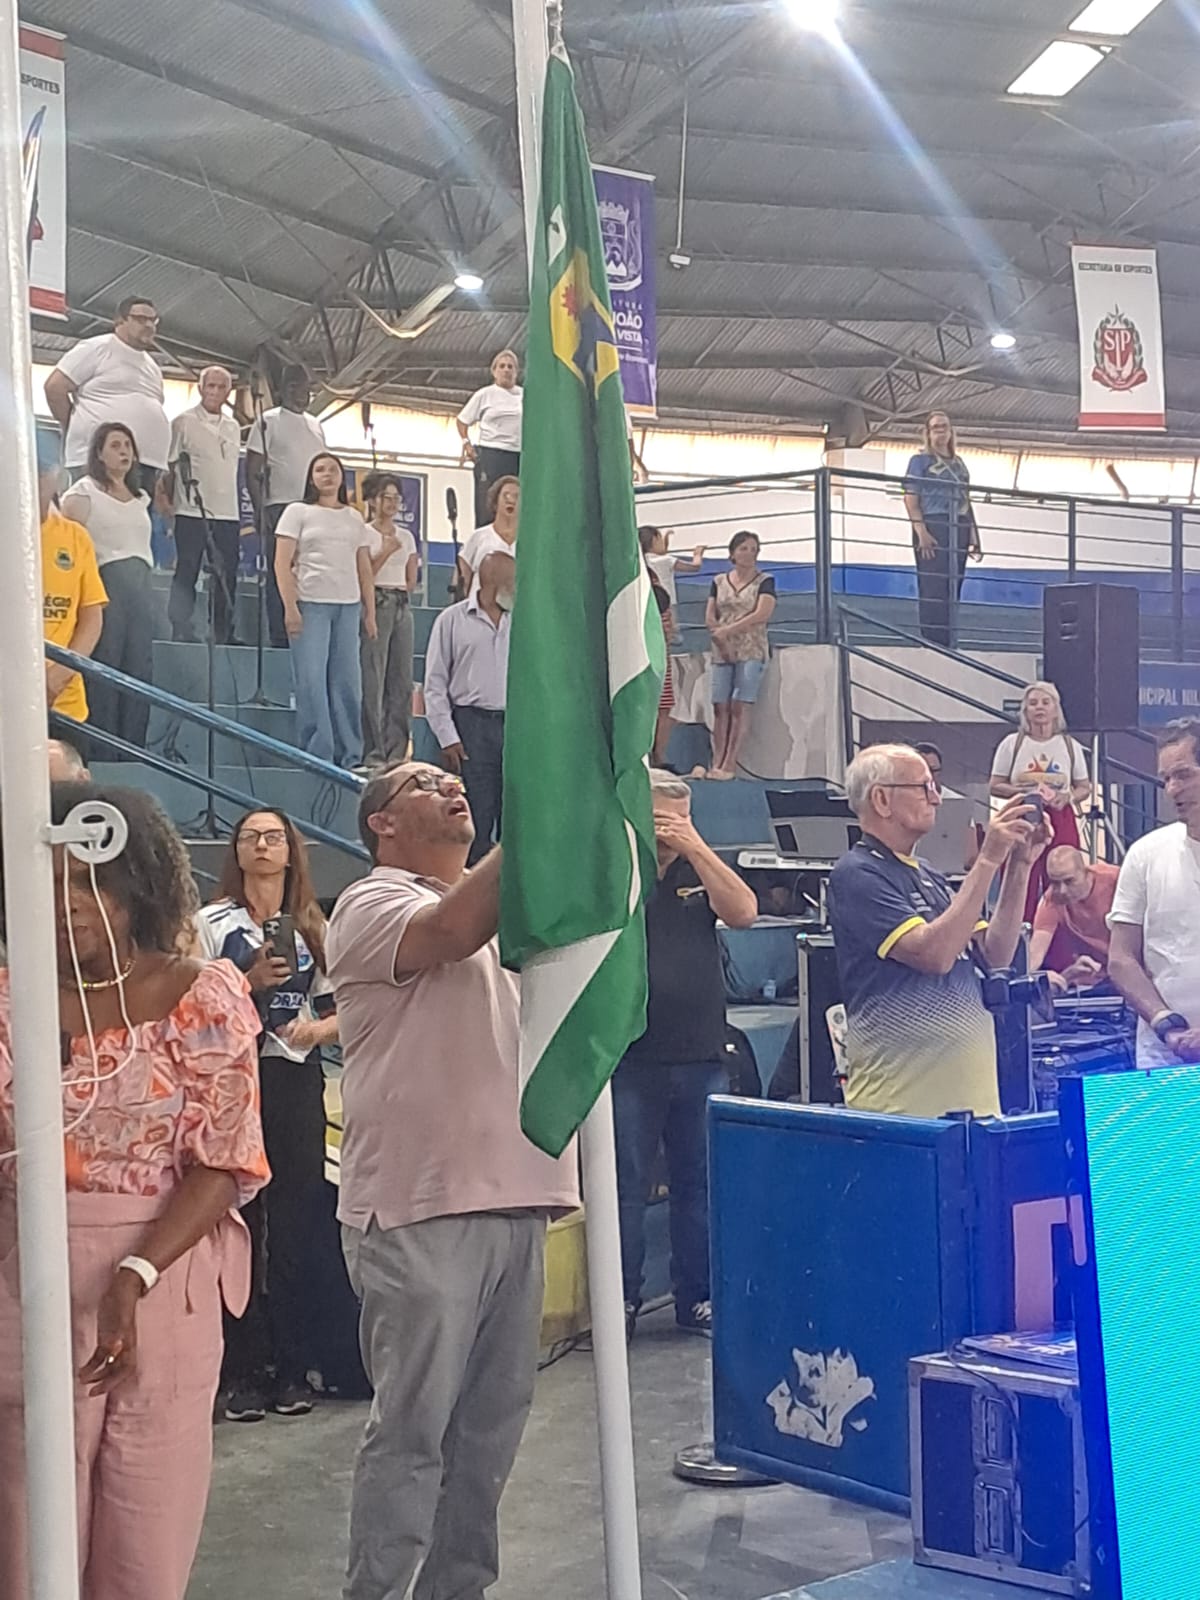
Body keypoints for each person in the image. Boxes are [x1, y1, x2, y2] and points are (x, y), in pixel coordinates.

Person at [0, 782, 268, 1600]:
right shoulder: (8, 999)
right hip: (26, 1281)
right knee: (28, 1533)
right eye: (49, 883)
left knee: (146, 1535)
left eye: (91, 882)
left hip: (163, 1278)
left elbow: (225, 1159)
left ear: (138, 885)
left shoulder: (201, 993)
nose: (69, 904)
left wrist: (135, 1273)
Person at [327, 762, 578, 1600]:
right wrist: (545, 799)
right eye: (422, 783)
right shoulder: (373, 901)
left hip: (517, 1193)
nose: (449, 786)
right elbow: (451, 929)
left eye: (450, 778)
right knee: (413, 1430)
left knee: (488, 1437)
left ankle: (457, 1590)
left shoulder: (508, 912)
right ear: (382, 823)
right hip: (421, 1205)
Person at [197, 809, 339, 1422]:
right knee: (240, 1221)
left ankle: (293, 1364)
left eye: (273, 837)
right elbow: (189, 1005)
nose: (261, 846)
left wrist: (315, 1032)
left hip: (292, 1075)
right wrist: (247, 981)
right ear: (236, 850)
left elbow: (346, 1006)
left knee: (296, 1219)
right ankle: (242, 1368)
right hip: (231, 1081)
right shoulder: (209, 924)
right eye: (250, 836)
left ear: (290, 851)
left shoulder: (314, 924)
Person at [613, 771, 757, 1340]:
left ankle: (695, 1296)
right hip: (632, 1057)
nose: (669, 831)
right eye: (660, 820)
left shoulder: (700, 871)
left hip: (701, 1054)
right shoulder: (617, 868)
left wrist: (696, 847)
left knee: (698, 1184)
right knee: (625, 1187)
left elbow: (743, 912)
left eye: (679, 820)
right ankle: (621, 1299)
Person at [828, 744, 1046, 1117]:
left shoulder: (928, 873)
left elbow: (995, 954)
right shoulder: (857, 873)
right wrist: (987, 859)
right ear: (882, 799)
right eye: (924, 787)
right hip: (904, 1113)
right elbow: (935, 955)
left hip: (973, 1109)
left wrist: (1019, 866)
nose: (936, 798)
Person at [274, 452, 377, 769]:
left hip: (348, 606)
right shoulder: (297, 512)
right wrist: (290, 607)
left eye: (333, 469)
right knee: (311, 681)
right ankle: (316, 753)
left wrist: (370, 611)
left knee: (348, 683)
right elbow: (282, 563)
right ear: (311, 477)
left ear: (342, 476)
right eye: (320, 469)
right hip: (311, 604)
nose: (327, 474)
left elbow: (364, 567)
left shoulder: (354, 517)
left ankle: (351, 755)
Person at [1107, 720, 1200, 1069]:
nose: (1173, 789)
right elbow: (1121, 958)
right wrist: (1165, 1023)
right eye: (1166, 779)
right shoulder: (1145, 853)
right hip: (1165, 1056)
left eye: (1184, 774)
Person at [60, 423, 155, 754]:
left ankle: (133, 749)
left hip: (141, 586)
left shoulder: (141, 498)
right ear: (98, 454)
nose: (124, 451)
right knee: (107, 661)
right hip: (106, 583)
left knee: (139, 667)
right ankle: (104, 749)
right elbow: (66, 545)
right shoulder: (83, 493)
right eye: (115, 445)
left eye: (128, 445)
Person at [423, 549, 514, 865]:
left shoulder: (524, 623)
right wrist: (448, 736)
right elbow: (435, 683)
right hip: (471, 726)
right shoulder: (452, 620)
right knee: (476, 815)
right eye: (512, 582)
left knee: (515, 816)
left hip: (515, 726)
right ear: (493, 583)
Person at [44, 296, 169, 499]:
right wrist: (72, 422)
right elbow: (55, 386)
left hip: (145, 463)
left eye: (153, 320)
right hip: (98, 460)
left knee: (135, 518)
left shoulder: (152, 366)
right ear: (120, 320)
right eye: (141, 319)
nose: (149, 325)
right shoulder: (96, 348)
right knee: (97, 514)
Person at [990, 681, 1090, 927]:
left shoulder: (1070, 746)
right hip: (1023, 813)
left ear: (1056, 709)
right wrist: (1024, 791)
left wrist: (1068, 797)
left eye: (1046, 702)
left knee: (1063, 873)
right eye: (1033, 703)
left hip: (1060, 816)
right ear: (1025, 710)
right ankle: (1017, 931)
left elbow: (1084, 787)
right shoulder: (1011, 744)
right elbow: (995, 785)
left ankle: (1065, 931)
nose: (1040, 708)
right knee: (1018, 875)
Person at [246, 366, 327, 648]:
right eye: (294, 386)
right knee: (280, 573)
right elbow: (252, 469)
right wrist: (259, 509)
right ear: (282, 389)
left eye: (305, 388)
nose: (301, 393)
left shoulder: (316, 425)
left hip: (313, 510)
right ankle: (279, 636)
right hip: (279, 508)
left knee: (309, 573)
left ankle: (306, 635)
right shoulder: (268, 421)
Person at [165, 365, 243, 644]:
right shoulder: (182, 422)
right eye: (210, 385)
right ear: (200, 388)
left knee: (227, 572)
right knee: (187, 568)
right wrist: (170, 506)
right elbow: (169, 467)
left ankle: (222, 630)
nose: (215, 391)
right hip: (190, 510)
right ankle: (180, 627)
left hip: (227, 512)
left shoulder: (233, 427)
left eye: (221, 387)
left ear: (229, 392)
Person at [38, 435, 107, 729]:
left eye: (43, 470)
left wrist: (58, 675)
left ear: (57, 474)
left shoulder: (75, 537)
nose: (36, 479)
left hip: (66, 705)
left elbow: (92, 617)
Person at [903, 410, 982, 648]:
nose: (941, 431)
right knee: (932, 584)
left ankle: (949, 638)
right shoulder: (920, 462)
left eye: (944, 426)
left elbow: (966, 499)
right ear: (928, 433)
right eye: (935, 427)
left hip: (959, 524)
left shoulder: (959, 464)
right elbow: (911, 498)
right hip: (933, 523)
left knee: (953, 583)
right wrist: (921, 531)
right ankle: (931, 639)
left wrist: (974, 534)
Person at [704, 529, 776, 780]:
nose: (749, 554)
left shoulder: (764, 580)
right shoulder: (719, 581)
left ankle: (730, 762)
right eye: (744, 548)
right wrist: (720, 636)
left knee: (740, 704)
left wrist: (729, 630)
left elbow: (762, 613)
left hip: (751, 647)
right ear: (733, 553)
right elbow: (710, 614)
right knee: (720, 705)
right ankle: (717, 760)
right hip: (721, 649)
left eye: (753, 549)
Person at [359, 474, 418, 767]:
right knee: (374, 679)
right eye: (386, 497)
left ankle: (397, 752)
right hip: (377, 600)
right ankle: (374, 751)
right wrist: (385, 551)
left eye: (396, 498)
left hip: (401, 603)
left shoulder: (406, 536)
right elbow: (365, 574)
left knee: (401, 681)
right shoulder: (364, 533)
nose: (392, 503)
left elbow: (411, 577)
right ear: (372, 500)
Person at [1028, 846, 1120, 990]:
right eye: (1055, 883)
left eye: (1069, 881)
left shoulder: (1116, 880)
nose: (1062, 890)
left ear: (1085, 872)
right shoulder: (1052, 899)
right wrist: (1039, 976)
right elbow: (1034, 956)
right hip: (1097, 980)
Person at [456, 349, 523, 526]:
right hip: (491, 453)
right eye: (502, 366)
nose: (506, 370)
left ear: (516, 372)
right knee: (488, 503)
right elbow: (462, 421)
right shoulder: (485, 394)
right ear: (494, 371)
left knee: (515, 500)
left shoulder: (524, 395)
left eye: (510, 367)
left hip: (518, 454)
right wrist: (466, 443)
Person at [458, 474, 519, 594]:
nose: (511, 500)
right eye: (506, 495)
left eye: (516, 496)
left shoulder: (529, 541)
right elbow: (463, 578)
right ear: (495, 502)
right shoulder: (478, 537)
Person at [640, 524, 706, 607]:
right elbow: (695, 567)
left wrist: (666, 538)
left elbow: (661, 552)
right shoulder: (666, 560)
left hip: (650, 605)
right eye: (660, 539)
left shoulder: (642, 561)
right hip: (667, 604)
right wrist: (698, 554)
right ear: (654, 540)